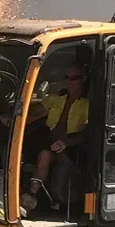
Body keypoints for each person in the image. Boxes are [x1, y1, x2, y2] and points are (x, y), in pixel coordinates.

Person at [30, 60, 91, 212]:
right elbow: (35, 113)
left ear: (83, 79)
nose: (69, 82)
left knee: (45, 155)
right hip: (50, 141)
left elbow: (88, 133)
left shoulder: (86, 104)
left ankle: (30, 198)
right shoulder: (56, 98)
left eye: (73, 78)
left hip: (71, 147)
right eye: (66, 78)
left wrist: (66, 143)